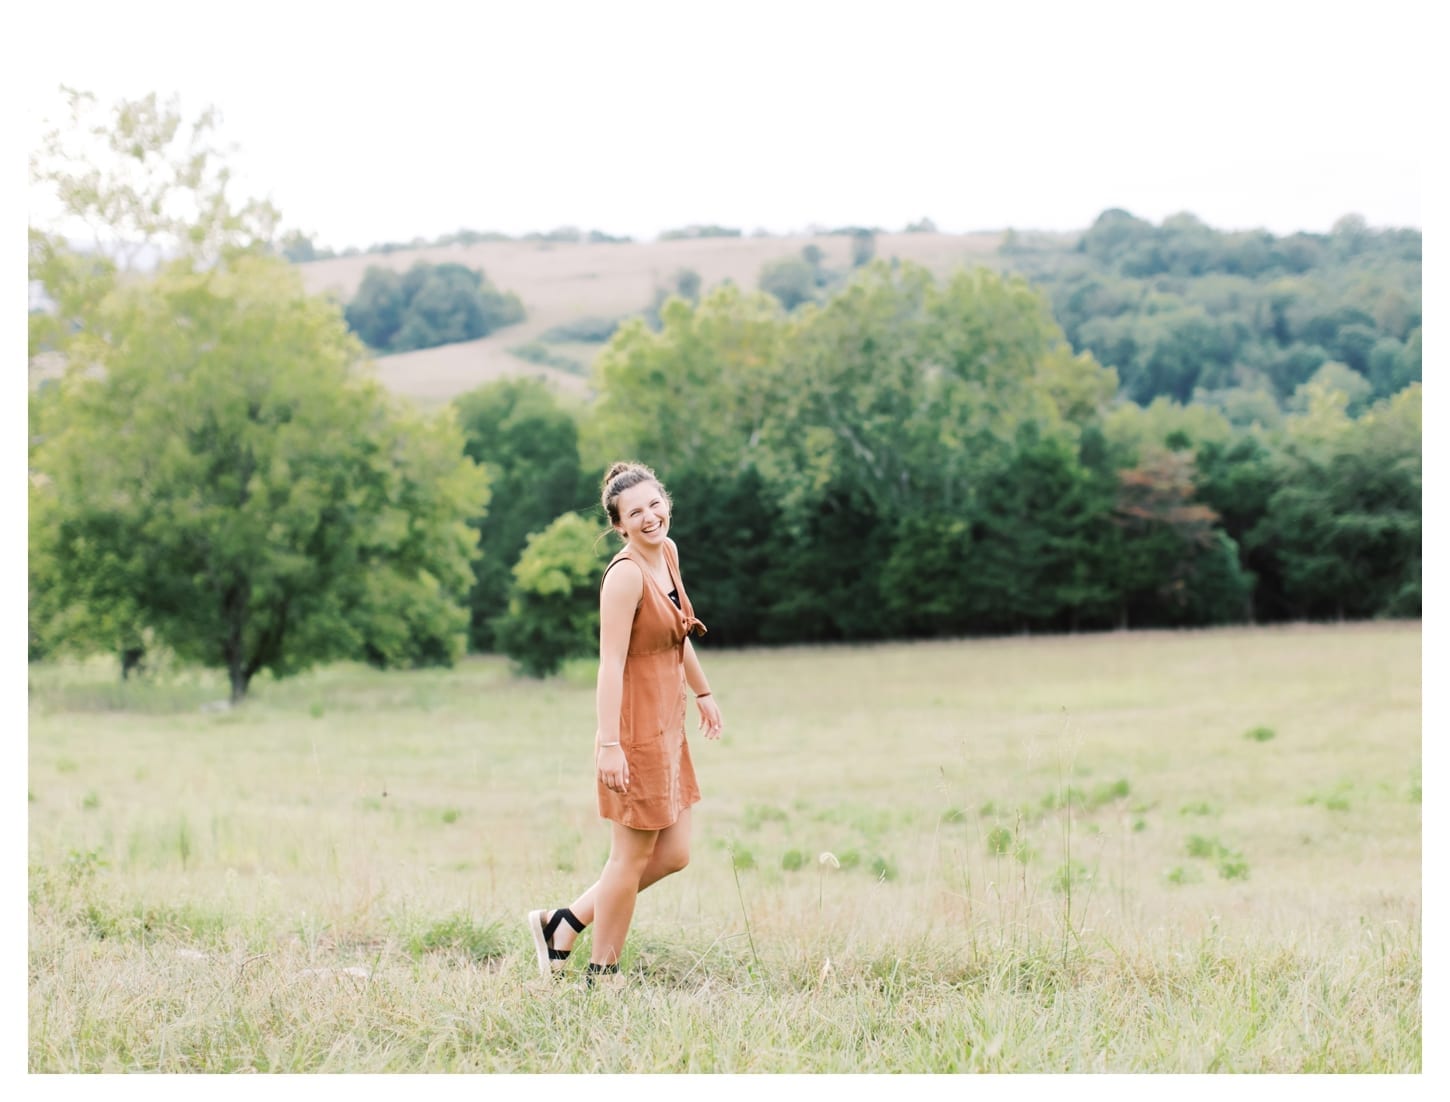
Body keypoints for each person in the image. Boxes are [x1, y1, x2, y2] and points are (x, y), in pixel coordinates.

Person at [528, 462, 725, 986]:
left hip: (668, 725)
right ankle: (601, 974)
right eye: (634, 512)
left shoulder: (669, 555)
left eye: (655, 504)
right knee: (630, 857)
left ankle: (562, 924)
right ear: (618, 525)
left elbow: (678, 633)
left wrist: (703, 691)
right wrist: (609, 743)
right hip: (632, 731)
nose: (650, 516)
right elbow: (610, 664)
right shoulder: (625, 576)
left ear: (667, 502)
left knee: (675, 853)